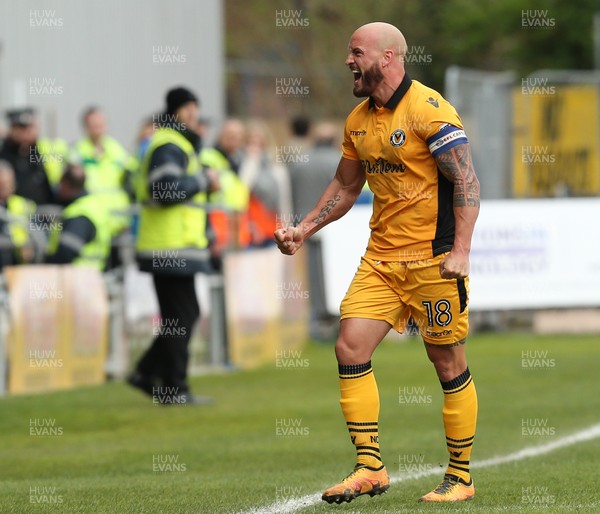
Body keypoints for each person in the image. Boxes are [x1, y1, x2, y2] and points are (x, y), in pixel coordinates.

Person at [275, 22, 480, 504]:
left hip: (434, 260)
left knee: (446, 361)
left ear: (388, 58)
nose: (348, 60)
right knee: (349, 347)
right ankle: (370, 467)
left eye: (356, 52)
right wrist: (303, 228)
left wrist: (462, 250)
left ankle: (460, 477)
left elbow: (467, 182)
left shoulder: (431, 111)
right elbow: (347, 187)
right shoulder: (357, 120)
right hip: (383, 259)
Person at [128, 86, 216, 405]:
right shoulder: (170, 144)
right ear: (176, 112)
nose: (194, 115)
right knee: (183, 317)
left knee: (181, 317)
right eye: (188, 109)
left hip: (175, 247)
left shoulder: (176, 143)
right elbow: (165, 192)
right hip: (168, 249)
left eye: (196, 108)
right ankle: (173, 387)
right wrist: (204, 180)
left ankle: (152, 376)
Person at [287, 122, 341, 340]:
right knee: (333, 275)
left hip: (302, 227)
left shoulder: (299, 163)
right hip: (332, 227)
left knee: (310, 277)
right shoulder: (338, 162)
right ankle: (333, 320)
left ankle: (313, 322)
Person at [71, 107, 134, 266]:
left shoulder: (116, 149)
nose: (98, 128)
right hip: (91, 218)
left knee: (119, 266)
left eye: (101, 123)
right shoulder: (77, 151)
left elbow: (131, 177)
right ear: (85, 127)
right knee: (93, 264)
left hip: (117, 220)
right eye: (94, 124)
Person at [200, 119, 250, 259]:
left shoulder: (239, 161)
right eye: (229, 134)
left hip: (236, 235)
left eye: (237, 136)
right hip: (216, 236)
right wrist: (211, 235)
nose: (233, 139)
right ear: (220, 135)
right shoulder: (208, 157)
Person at [46, 164, 112, 270]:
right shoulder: (92, 204)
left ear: (66, 184)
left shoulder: (80, 214)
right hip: (91, 275)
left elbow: (66, 252)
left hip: (77, 278)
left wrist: (46, 267)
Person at [239, 120, 291, 247]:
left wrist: (287, 229)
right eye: (251, 141)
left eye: (259, 142)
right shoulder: (241, 164)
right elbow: (242, 192)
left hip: (274, 231)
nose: (255, 146)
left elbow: (284, 200)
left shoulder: (277, 168)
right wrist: (251, 162)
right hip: (251, 234)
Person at [0, 108, 54, 205]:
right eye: (21, 128)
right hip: (12, 215)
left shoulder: (42, 150)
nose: (26, 132)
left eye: (30, 127)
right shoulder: (4, 154)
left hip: (44, 212)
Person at [0, 160, 36, 269]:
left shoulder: (24, 205)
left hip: (17, 268)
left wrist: (29, 249)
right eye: (1, 186)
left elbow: (37, 237)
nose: (5, 190)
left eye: (8, 184)